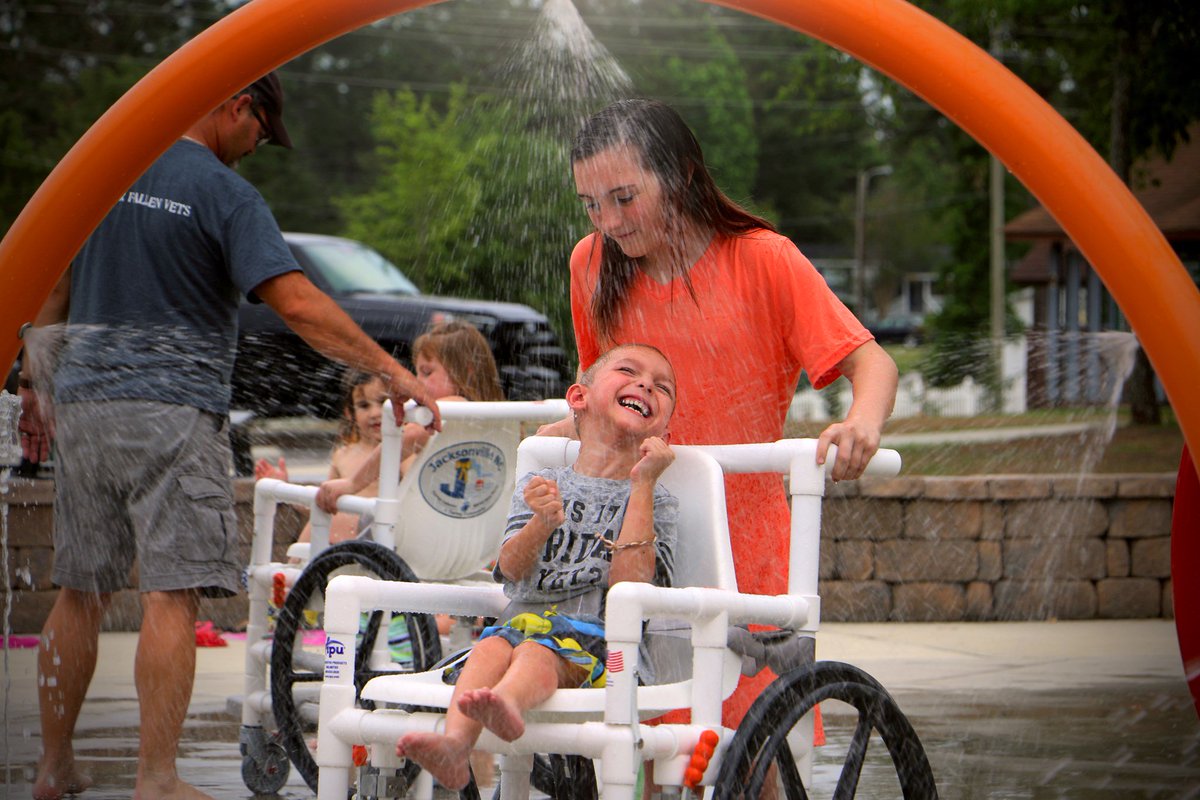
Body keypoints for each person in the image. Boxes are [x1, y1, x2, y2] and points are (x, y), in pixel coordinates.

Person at [17, 71, 441, 800]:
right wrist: (390, 369)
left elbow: (53, 285)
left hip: (85, 406)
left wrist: (33, 386)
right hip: (174, 410)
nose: (254, 148)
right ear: (239, 105)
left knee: (80, 589)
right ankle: (157, 778)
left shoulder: (105, 169)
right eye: (260, 133)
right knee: (172, 594)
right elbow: (297, 302)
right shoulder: (222, 192)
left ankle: (53, 766)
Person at [561, 100, 899, 738]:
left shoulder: (763, 260)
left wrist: (862, 424)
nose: (608, 221)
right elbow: (596, 390)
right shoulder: (592, 264)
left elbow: (871, 362)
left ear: (681, 175)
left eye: (624, 198)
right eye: (591, 205)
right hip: (630, 537)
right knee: (638, 745)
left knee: (752, 746)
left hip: (745, 541)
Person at [395, 343, 680, 790]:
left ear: (664, 431)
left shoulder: (655, 499)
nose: (646, 384)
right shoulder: (541, 483)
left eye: (662, 387)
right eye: (629, 371)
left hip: (606, 646)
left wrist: (643, 483)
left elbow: (632, 585)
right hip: (518, 627)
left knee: (537, 649)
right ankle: (454, 746)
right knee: (491, 646)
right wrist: (540, 524)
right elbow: (510, 569)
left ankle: (506, 703)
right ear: (579, 398)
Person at [313, 319, 504, 512]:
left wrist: (352, 483)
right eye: (417, 373)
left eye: (426, 372)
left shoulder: (451, 406)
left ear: (467, 372)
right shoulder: (501, 416)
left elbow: (407, 437)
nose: (417, 381)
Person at [255, 369, 391, 545]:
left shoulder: (400, 454)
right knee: (316, 523)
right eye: (364, 406)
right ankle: (299, 561)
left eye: (383, 402)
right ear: (350, 413)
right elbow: (322, 503)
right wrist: (284, 487)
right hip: (336, 545)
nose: (375, 413)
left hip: (371, 544)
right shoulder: (342, 455)